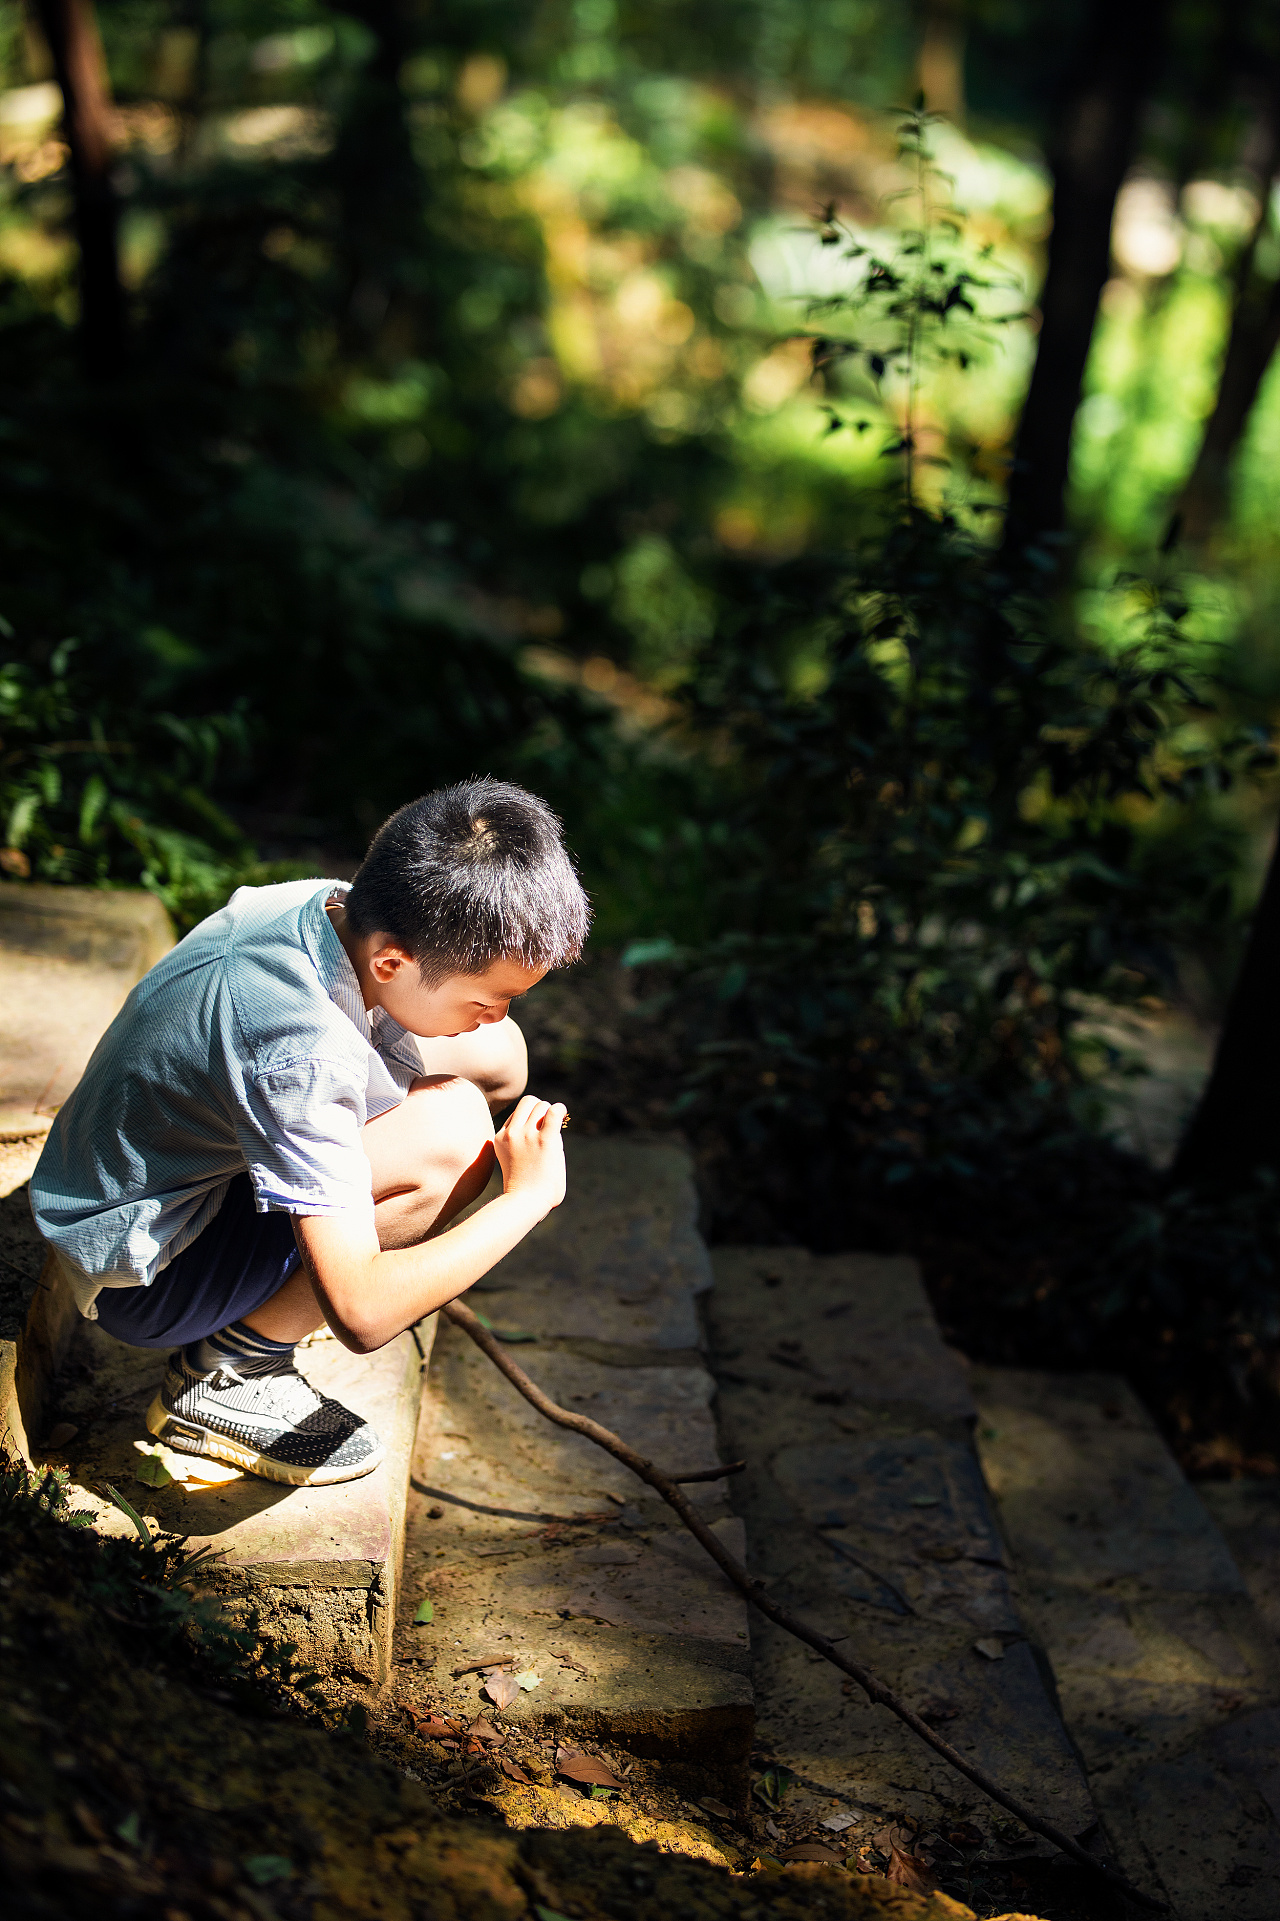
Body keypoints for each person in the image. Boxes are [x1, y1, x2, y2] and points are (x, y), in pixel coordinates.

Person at [29, 778, 589, 1486]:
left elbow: (479, 1041)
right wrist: (525, 1199)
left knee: (499, 1055)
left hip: (150, 1172)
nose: (494, 1010)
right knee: (454, 1136)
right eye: (484, 997)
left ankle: (306, 1234)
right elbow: (362, 1314)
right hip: (145, 1269)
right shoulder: (301, 1050)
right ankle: (231, 1368)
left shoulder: (330, 904)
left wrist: (479, 1016)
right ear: (392, 963)